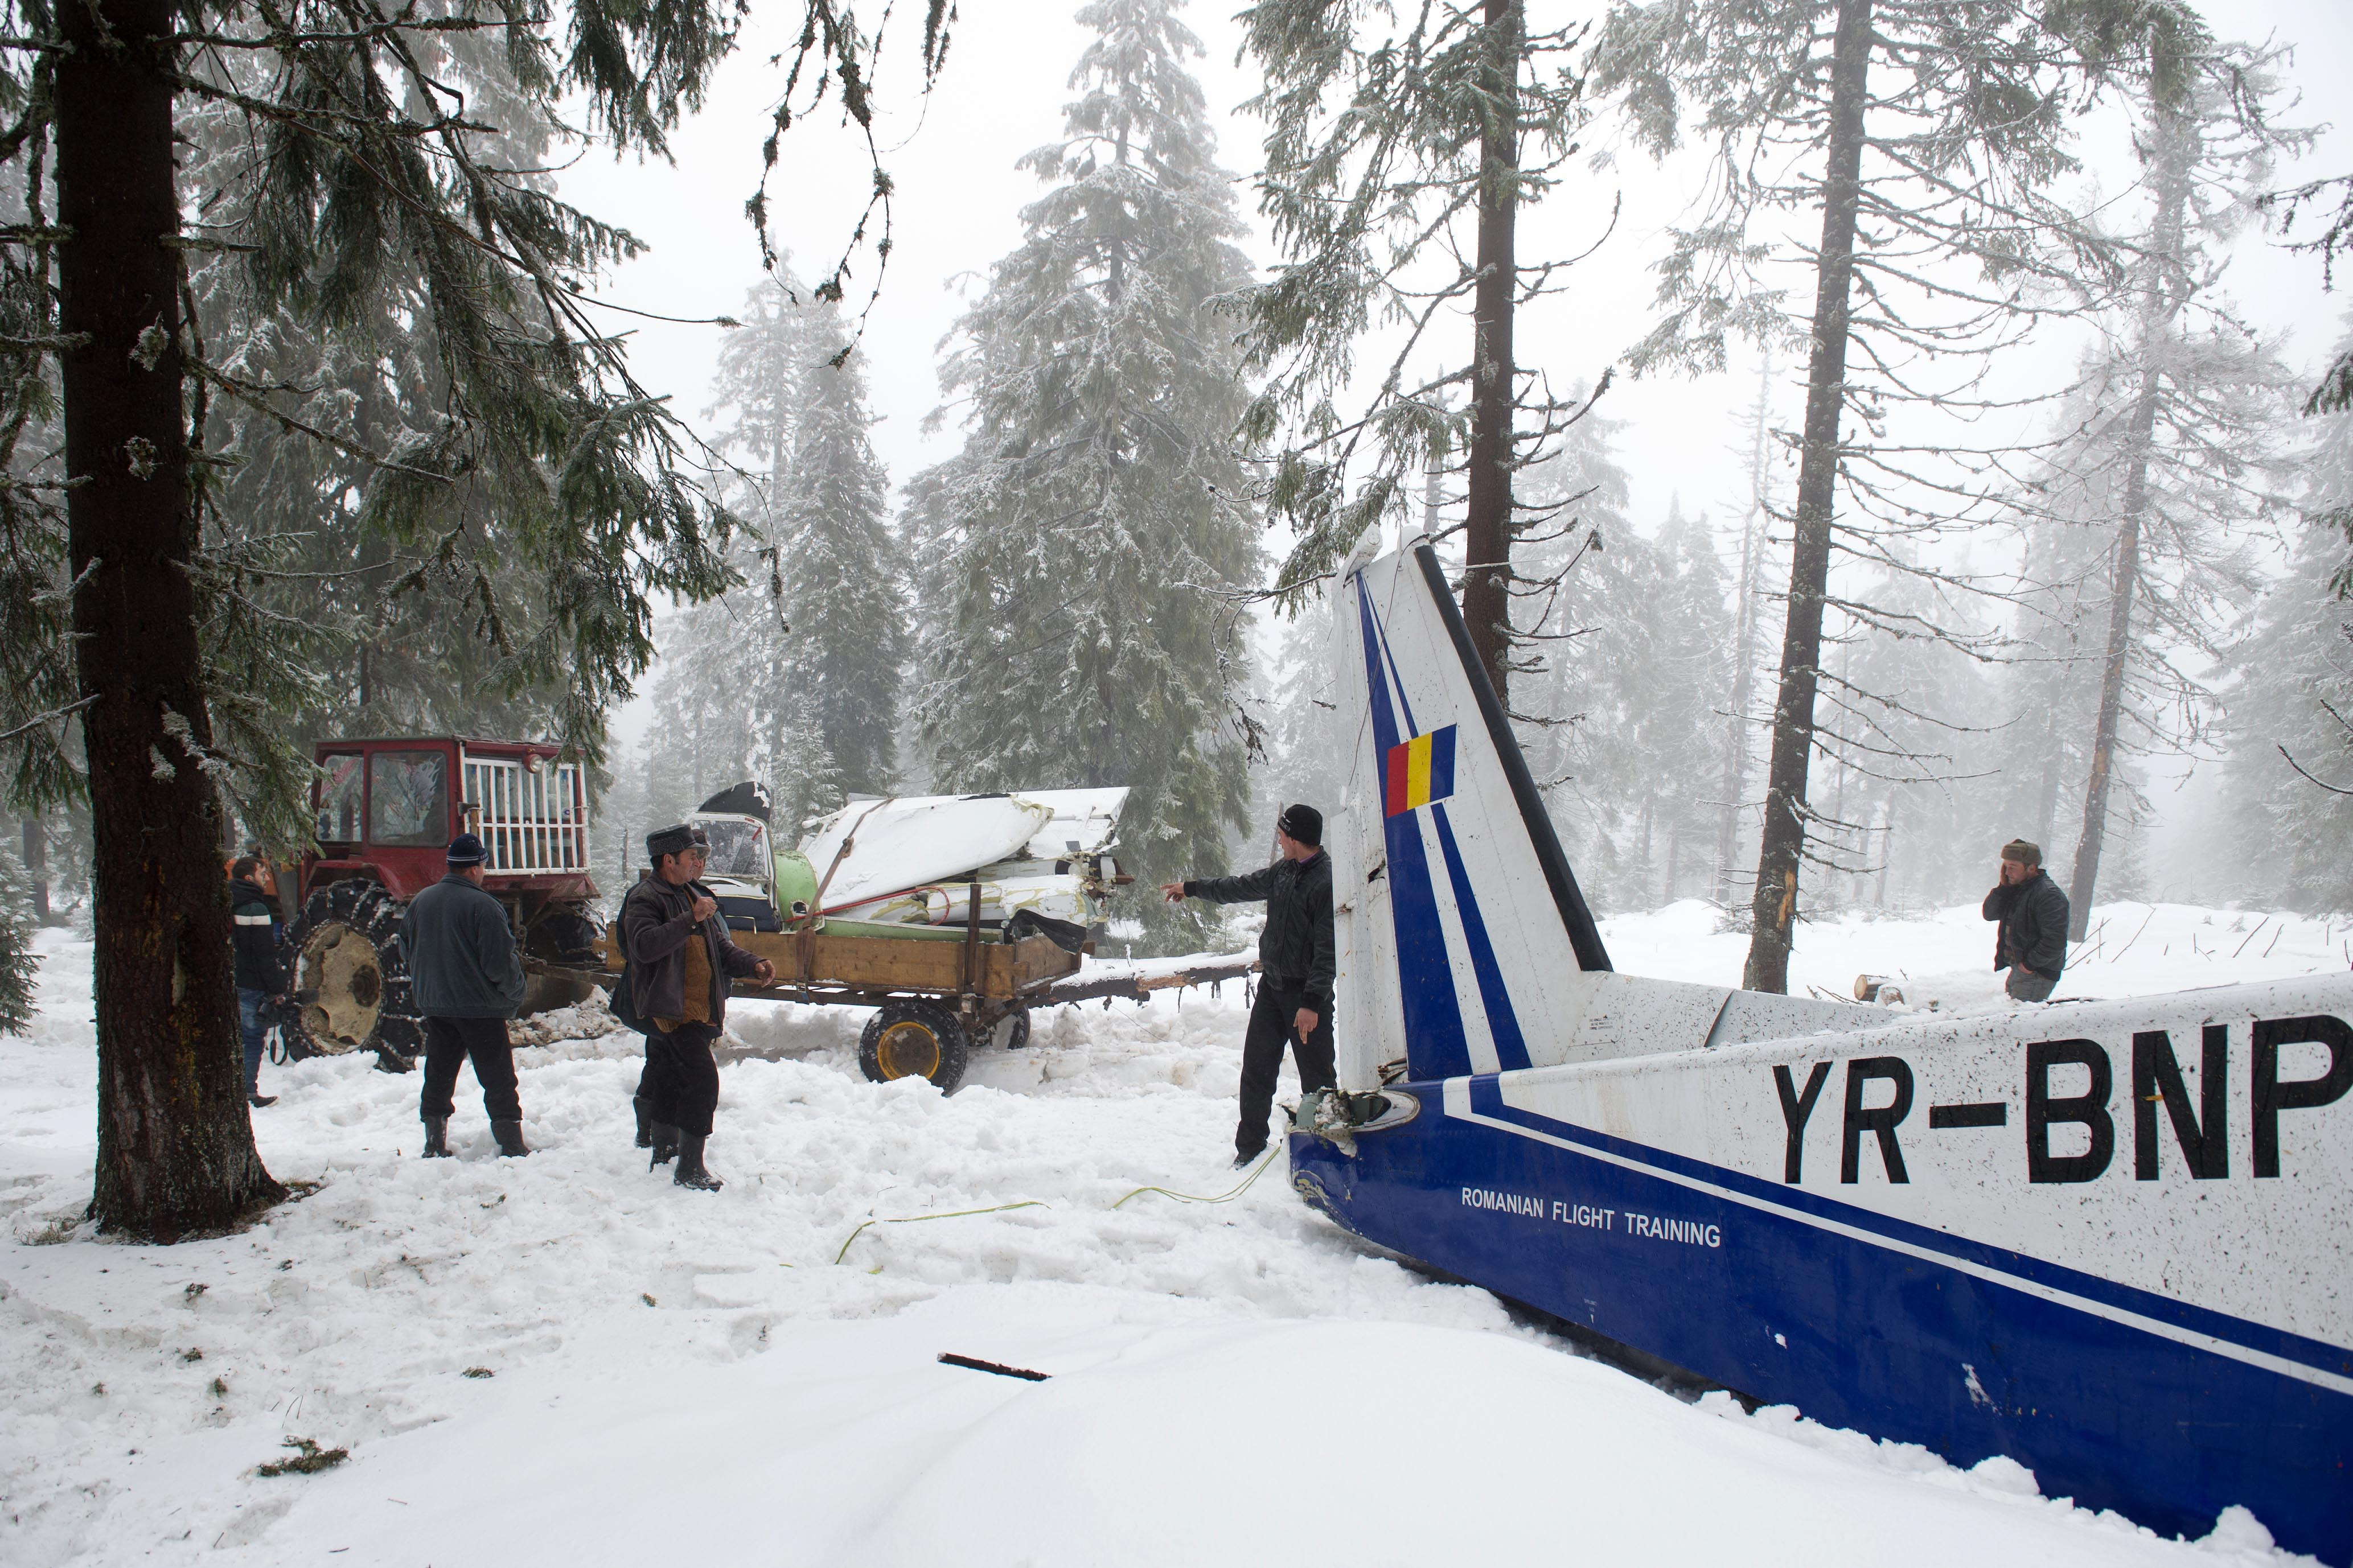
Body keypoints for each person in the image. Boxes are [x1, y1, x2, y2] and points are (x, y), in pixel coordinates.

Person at [1161, 803, 1336, 1167]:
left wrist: (1312, 1003)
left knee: (1318, 1080)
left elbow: (1327, 951)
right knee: (1256, 1071)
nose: (1279, 839)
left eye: (1283, 834)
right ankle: (1250, 1148)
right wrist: (1191, 888)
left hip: (1306, 998)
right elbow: (1238, 887)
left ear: (1297, 839)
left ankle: (1327, 1154)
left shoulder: (1326, 882)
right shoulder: (1283, 871)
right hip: (1272, 990)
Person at [619, 824, 774, 1191]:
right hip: (669, 1010)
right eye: (692, 856)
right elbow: (642, 947)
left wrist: (752, 962)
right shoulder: (646, 897)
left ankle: (665, 1151)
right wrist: (692, 917)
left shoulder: (689, 893)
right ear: (668, 860)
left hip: (694, 1007)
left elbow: (718, 947)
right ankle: (689, 1167)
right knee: (702, 1079)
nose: (698, 862)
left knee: (671, 1078)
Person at [401, 832, 531, 1158]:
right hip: (479, 1008)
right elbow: (500, 963)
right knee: (498, 1077)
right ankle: (512, 1144)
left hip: (436, 1006)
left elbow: (406, 948)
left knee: (439, 1073)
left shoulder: (420, 901)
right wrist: (516, 994)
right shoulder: (484, 906)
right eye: (483, 866)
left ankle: (434, 1142)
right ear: (475, 868)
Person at [228, 857, 286, 1109]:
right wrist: (276, 987)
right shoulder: (256, 909)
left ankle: (230, 1090)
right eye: (263, 873)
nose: (267, 878)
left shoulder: (228, 900)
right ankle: (248, 1092)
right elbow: (264, 954)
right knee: (252, 1038)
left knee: (234, 1037)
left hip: (232, 979)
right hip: (251, 984)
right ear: (250, 877)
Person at [1982, 838, 2070, 1003]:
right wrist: (2003, 887)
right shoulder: (2019, 889)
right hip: (2023, 969)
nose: (2008, 872)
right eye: (2005, 867)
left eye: (2013, 867)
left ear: (2031, 868)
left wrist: (2029, 966)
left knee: (2020, 1022)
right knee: (2012, 1017)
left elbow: (2055, 941)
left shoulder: (2048, 895)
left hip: (2036, 973)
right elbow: (1989, 914)